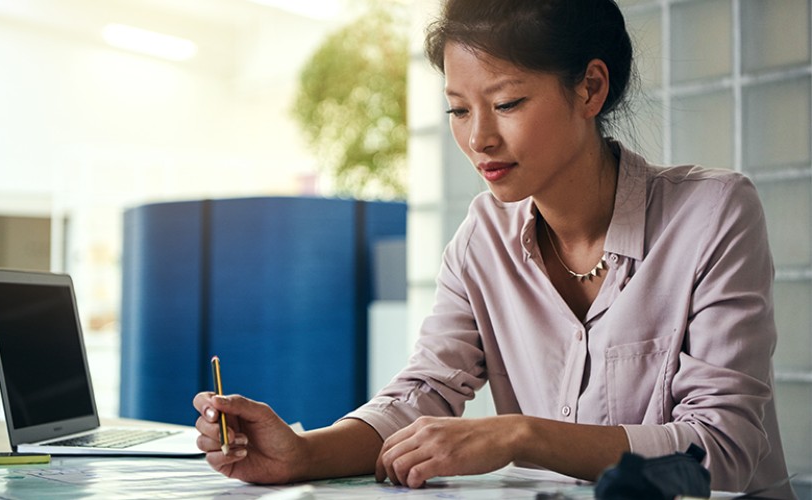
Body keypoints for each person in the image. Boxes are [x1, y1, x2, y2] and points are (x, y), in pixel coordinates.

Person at [192, 0, 795, 497]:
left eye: (507, 103)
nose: (478, 137)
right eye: (458, 110)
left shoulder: (713, 212)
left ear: (590, 88)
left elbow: (721, 450)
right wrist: (299, 454)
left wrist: (521, 436)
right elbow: (423, 394)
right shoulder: (483, 238)